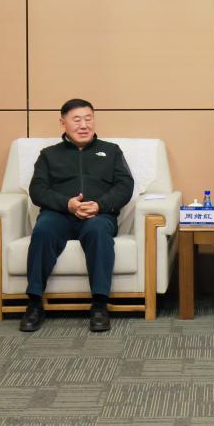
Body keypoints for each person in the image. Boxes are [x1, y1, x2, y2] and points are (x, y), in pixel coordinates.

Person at [20, 99, 134, 333]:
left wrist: (100, 205)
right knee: (43, 230)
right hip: (58, 214)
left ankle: (100, 305)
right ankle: (34, 304)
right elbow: (38, 190)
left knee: (98, 231)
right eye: (77, 120)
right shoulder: (49, 155)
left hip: (98, 215)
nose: (84, 125)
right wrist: (67, 204)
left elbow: (125, 186)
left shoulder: (111, 151)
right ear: (63, 123)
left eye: (88, 118)